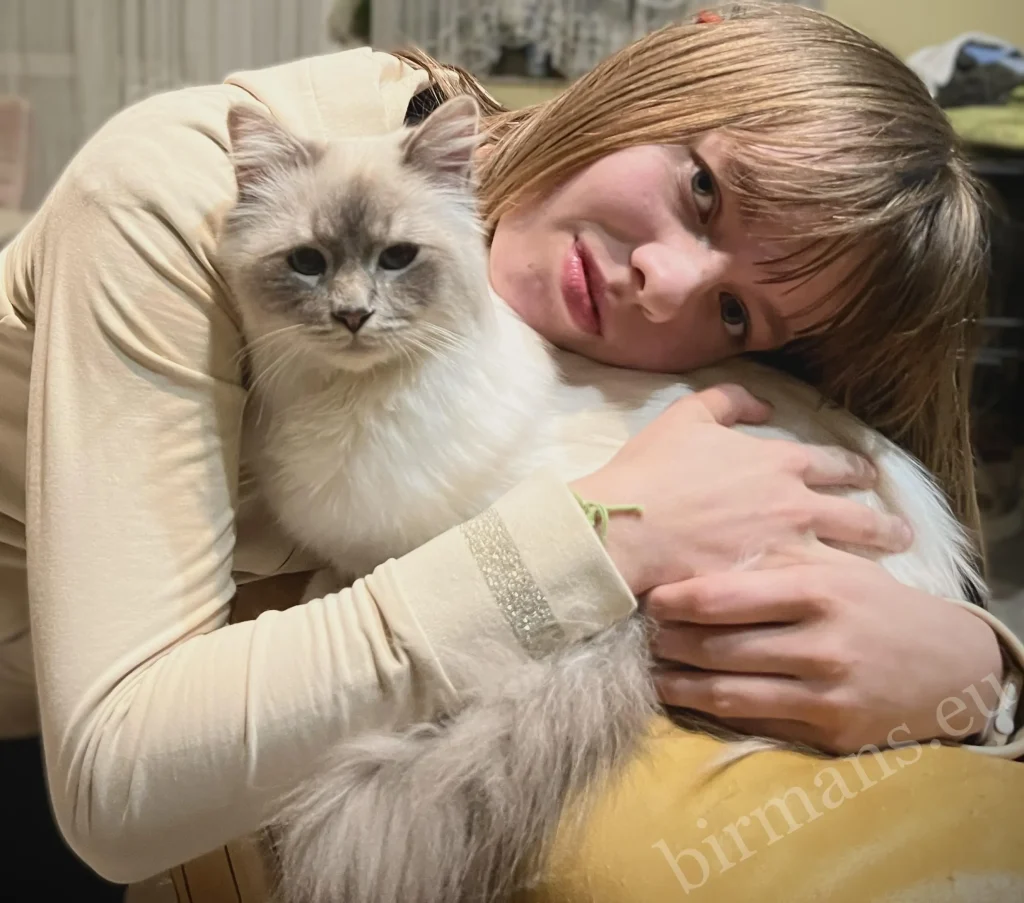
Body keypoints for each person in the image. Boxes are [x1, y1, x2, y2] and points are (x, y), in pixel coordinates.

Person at [1, 4, 1022, 901]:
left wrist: (984, 667)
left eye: (732, 311)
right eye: (703, 190)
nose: (658, 283)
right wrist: (601, 537)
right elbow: (115, 793)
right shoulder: (173, 195)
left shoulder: (534, 296)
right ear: (680, 53)